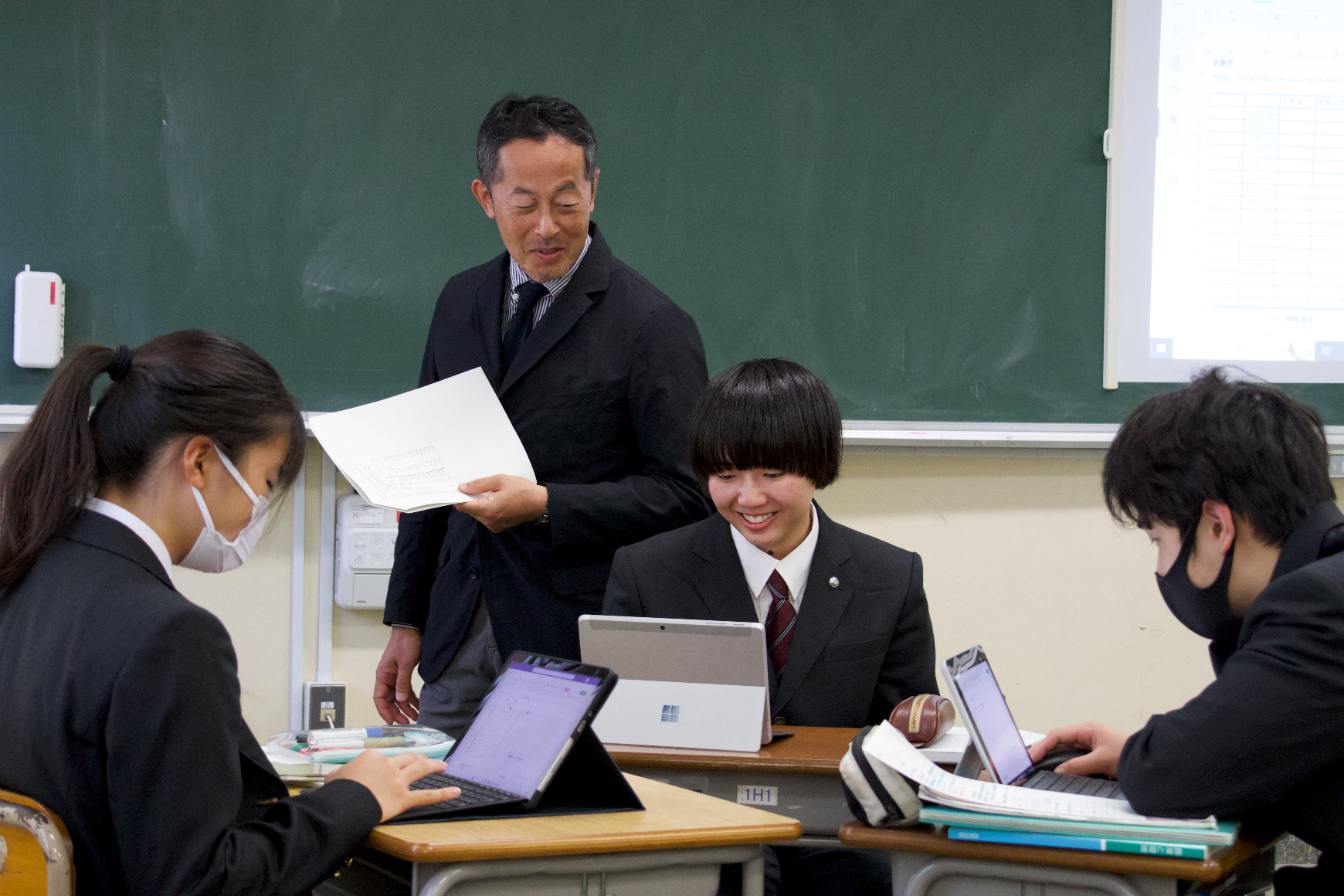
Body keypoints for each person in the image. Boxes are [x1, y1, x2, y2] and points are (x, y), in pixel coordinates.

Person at [0, 332, 459, 896]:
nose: (255, 515)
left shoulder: (26, 572)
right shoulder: (167, 634)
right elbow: (202, 883)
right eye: (265, 484)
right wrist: (354, 797)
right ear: (198, 461)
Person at [377, 94, 711, 737]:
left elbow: (686, 495)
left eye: (566, 201)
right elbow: (428, 475)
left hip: (572, 640)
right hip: (456, 634)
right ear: (485, 197)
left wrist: (547, 504)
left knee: (551, 830)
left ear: (593, 189)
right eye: (524, 204)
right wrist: (408, 619)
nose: (547, 227)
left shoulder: (652, 325)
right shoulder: (459, 302)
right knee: (435, 816)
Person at [603, 358, 938, 896]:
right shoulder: (647, 572)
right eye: (726, 476)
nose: (749, 498)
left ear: (818, 465)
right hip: (701, 822)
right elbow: (618, 734)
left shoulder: (890, 576)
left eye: (772, 474)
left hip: (839, 827)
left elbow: (910, 731)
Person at [1027, 369, 1344, 895]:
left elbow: (1175, 775)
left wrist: (1141, 757)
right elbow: (1245, 745)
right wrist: (1135, 749)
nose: (1159, 567)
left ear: (1217, 526)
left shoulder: (1320, 607)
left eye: (1158, 539)